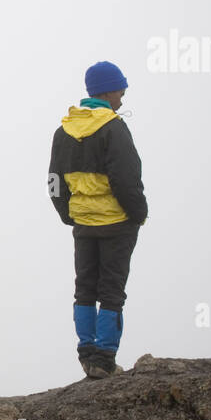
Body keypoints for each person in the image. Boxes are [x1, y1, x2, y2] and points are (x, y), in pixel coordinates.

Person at [48, 61, 147, 378]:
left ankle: (87, 354)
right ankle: (104, 360)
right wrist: (138, 214)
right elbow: (126, 178)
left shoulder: (63, 131)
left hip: (84, 226)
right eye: (121, 88)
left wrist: (69, 214)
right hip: (117, 224)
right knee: (112, 292)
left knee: (85, 290)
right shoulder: (114, 127)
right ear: (108, 90)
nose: (123, 95)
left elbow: (53, 181)